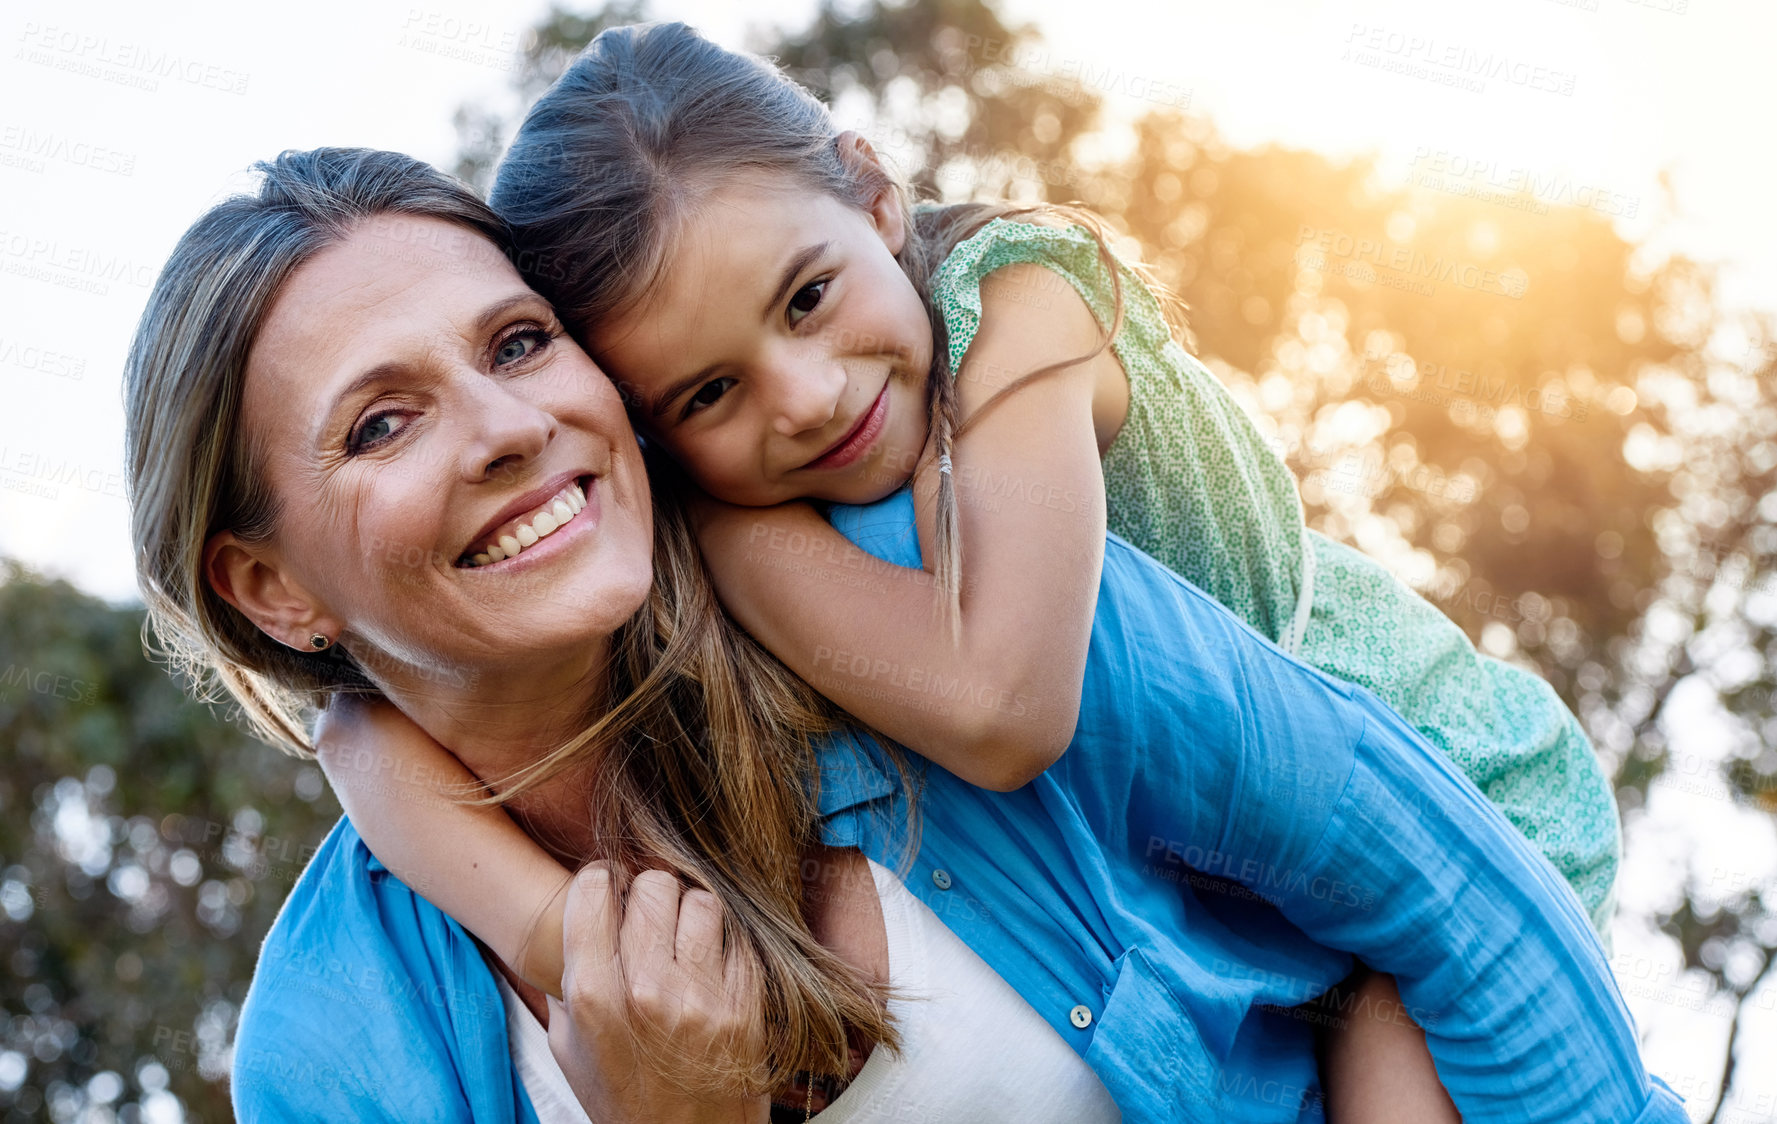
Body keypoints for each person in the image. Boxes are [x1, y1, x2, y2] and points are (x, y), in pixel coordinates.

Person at [126, 146, 1682, 1122]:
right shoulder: (338, 1048)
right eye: (384, 421)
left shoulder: (941, 595)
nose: (508, 428)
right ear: (269, 588)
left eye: (520, 344)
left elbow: (1465, 910)